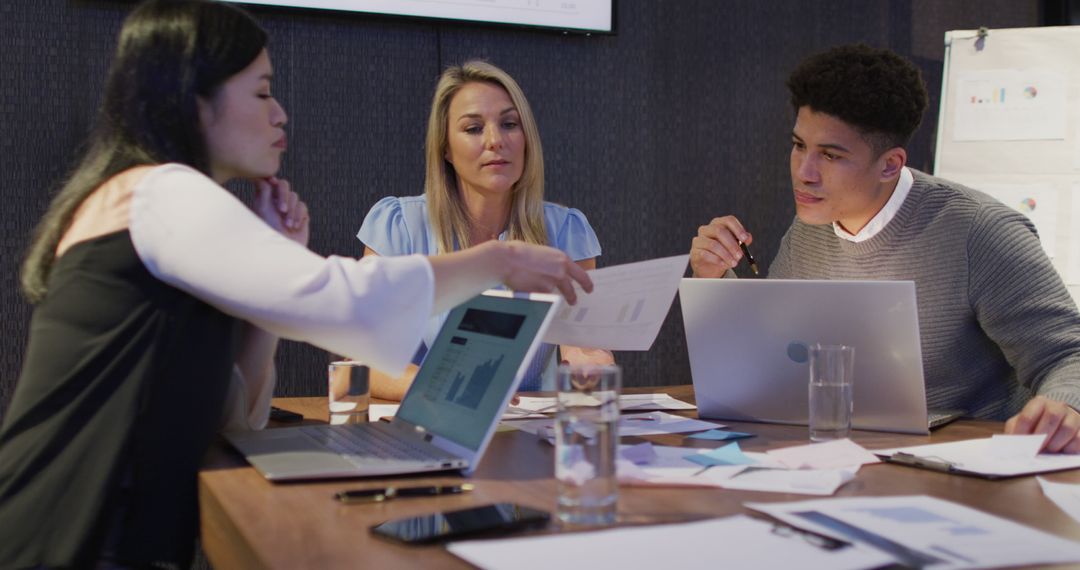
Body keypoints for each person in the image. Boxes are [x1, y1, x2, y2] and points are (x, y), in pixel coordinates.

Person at [0, 2, 591, 568]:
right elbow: (344, 303)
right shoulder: (161, 191)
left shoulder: (159, 199)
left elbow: (235, 418)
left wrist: (272, 276)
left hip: (108, 534)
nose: (280, 113)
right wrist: (497, 261)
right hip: (67, 531)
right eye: (260, 92)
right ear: (192, 99)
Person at [690, 43, 1080, 453]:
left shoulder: (981, 231)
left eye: (830, 155)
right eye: (799, 145)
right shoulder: (811, 226)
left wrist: (1064, 405)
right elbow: (772, 361)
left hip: (964, 466)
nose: (804, 173)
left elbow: (1068, 354)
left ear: (891, 164)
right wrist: (715, 280)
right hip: (841, 456)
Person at [357, 60, 613, 400]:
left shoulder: (565, 230)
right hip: (431, 423)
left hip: (531, 429)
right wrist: (452, 390)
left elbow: (584, 347)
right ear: (445, 148)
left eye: (509, 124)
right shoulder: (399, 225)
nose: (495, 141)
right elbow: (365, 364)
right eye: (473, 128)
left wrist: (591, 365)